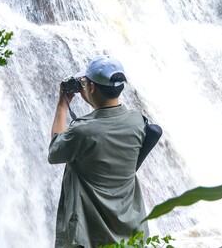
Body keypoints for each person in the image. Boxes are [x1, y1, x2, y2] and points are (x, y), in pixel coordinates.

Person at [48, 55, 149, 248]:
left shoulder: (82, 131)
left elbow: (54, 152)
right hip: (130, 231)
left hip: (92, 236)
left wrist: (62, 103)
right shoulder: (138, 122)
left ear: (92, 88)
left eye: (85, 83)